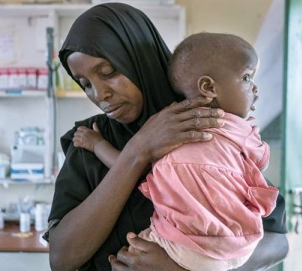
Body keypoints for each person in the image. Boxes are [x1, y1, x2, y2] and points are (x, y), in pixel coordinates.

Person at [44, 3, 288, 271]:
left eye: (108, 73)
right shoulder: (89, 139)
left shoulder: (204, 123)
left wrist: (184, 268)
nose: (100, 94)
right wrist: (139, 150)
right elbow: (61, 258)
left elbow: (277, 241)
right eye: (86, 84)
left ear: (139, 58)